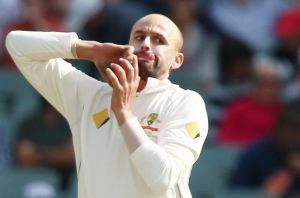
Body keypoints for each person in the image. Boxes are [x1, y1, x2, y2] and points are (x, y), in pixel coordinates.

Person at [5, 14, 208, 198]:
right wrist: (90, 50)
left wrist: (124, 115)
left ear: (177, 60)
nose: (145, 44)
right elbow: (16, 45)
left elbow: (163, 178)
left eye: (159, 40)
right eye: (139, 37)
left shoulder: (185, 102)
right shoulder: (90, 96)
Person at [229, 106, 300, 197]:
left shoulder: (296, 152)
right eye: (293, 131)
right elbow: (234, 192)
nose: (296, 137)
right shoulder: (255, 154)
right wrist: (265, 193)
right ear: (279, 128)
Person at [13, 98, 75, 191]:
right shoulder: (28, 123)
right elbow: (24, 157)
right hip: (31, 179)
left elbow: (72, 156)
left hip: (65, 179)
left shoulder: (68, 123)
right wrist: (59, 155)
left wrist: (39, 153)